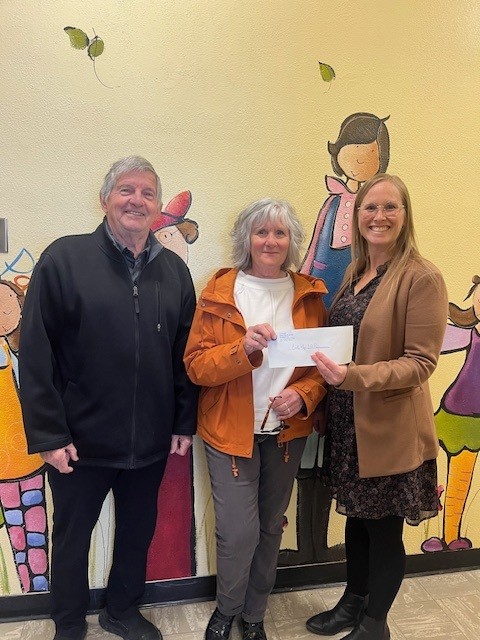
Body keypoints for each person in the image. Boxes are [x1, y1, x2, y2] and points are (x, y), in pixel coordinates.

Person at [19, 156, 198, 640]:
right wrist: (49, 436)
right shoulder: (64, 259)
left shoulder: (175, 273)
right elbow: (36, 354)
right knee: (72, 540)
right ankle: (68, 622)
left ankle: (122, 610)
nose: (136, 200)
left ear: (157, 207)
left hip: (151, 442)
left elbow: (185, 354)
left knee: (137, 534)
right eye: (126, 190)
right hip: (79, 444)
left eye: (147, 193)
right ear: (105, 200)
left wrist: (183, 422)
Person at [305, 174, 448, 640]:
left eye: (390, 207)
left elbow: (420, 363)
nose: (378, 216)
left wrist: (351, 378)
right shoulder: (357, 272)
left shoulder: (421, 276)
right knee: (357, 520)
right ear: (357, 215)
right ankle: (353, 602)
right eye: (370, 207)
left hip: (388, 427)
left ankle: (374, 624)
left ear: (405, 216)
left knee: (383, 530)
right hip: (349, 423)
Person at [184, 198, 328, 640]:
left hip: (286, 435)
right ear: (245, 238)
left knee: (270, 528)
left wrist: (303, 396)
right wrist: (241, 349)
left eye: (280, 233)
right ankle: (226, 611)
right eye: (261, 231)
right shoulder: (220, 292)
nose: (270, 241)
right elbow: (196, 367)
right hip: (229, 432)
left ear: (292, 241)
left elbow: (323, 367)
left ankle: (253, 616)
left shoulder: (309, 295)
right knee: (237, 533)